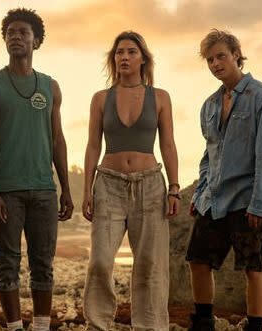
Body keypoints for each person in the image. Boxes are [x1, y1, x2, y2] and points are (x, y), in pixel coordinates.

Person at [0, 8, 73, 331]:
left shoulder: (50, 86)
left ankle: (42, 326)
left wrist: (66, 190)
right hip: (6, 190)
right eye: (10, 33)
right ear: (5, 40)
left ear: (37, 40)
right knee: (8, 264)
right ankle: (16, 327)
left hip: (44, 189)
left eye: (23, 32)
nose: (16, 37)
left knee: (43, 265)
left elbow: (57, 139)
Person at [81, 31, 179, 331]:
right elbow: (93, 146)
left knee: (150, 264)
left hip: (150, 185)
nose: (124, 57)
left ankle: (149, 326)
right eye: (119, 52)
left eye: (131, 52)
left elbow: (169, 145)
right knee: (99, 261)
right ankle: (98, 324)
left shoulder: (160, 97)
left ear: (143, 59)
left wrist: (174, 188)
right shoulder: (101, 98)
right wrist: (87, 190)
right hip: (108, 185)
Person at [186, 29, 262, 331]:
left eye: (221, 56)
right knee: (198, 260)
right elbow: (208, 155)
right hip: (212, 200)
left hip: (247, 199)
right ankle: (203, 323)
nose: (215, 63)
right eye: (210, 60)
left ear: (237, 54)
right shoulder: (209, 105)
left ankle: (255, 326)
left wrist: (261, 204)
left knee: (253, 267)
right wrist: (200, 194)